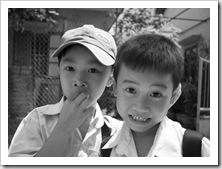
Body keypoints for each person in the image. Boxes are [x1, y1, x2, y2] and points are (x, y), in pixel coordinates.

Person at [8, 24, 122, 157]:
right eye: (70, 68)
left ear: (110, 78)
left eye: (92, 70)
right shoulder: (37, 121)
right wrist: (63, 129)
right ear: (59, 70)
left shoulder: (118, 132)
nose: (79, 80)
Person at [101, 33, 210, 157]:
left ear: (173, 96)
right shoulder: (105, 151)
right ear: (115, 87)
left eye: (155, 94)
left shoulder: (197, 149)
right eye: (131, 90)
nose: (140, 107)